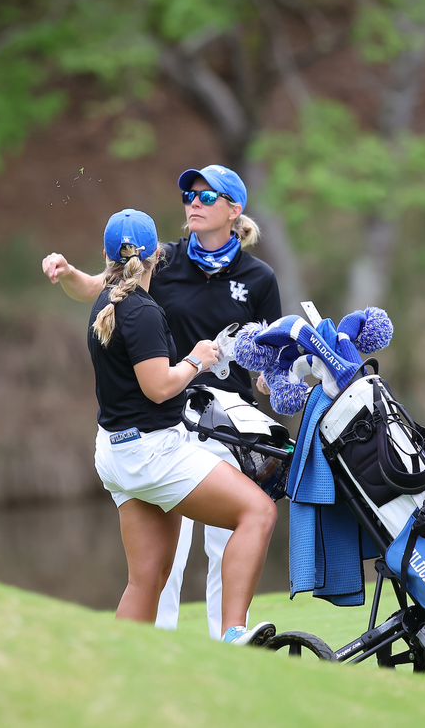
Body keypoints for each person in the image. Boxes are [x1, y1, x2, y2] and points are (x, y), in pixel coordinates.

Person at [42, 165, 282, 639]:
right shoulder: (150, 295)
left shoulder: (257, 279)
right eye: (188, 195)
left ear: (234, 211)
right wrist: (195, 359)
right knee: (254, 514)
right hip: (165, 430)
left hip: (166, 434)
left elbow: (266, 368)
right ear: (154, 254)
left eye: (206, 195)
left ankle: (139, 668)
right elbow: (156, 384)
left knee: (150, 574)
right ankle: (234, 636)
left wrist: (274, 382)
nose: (194, 201)